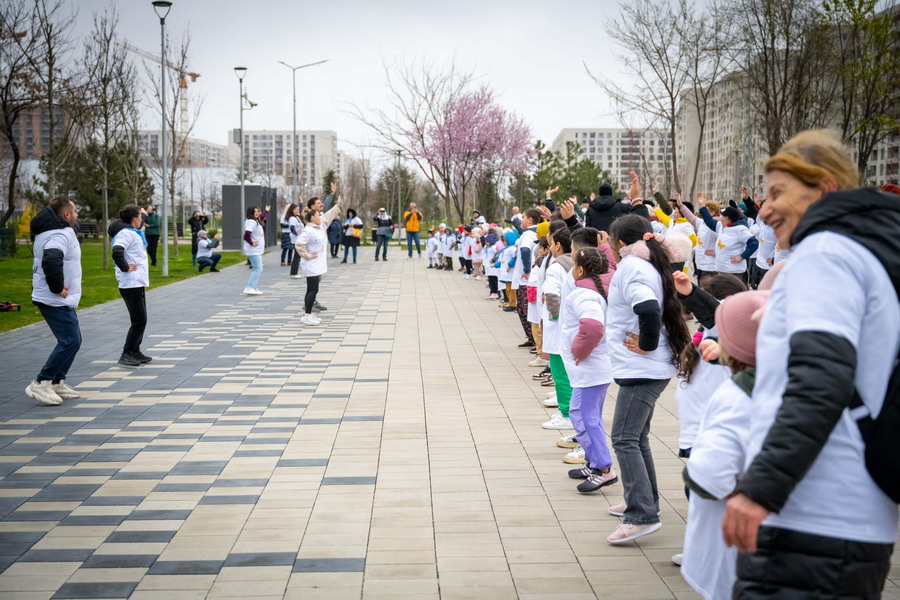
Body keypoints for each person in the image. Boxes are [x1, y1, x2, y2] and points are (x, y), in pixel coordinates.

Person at [722, 130, 900, 598]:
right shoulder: (864, 254)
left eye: (777, 192)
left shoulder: (826, 254)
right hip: (847, 521)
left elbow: (820, 380)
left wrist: (761, 489)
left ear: (823, 188)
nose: (763, 208)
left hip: (809, 520)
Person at [605, 213, 691, 544]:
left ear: (621, 244)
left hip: (644, 369)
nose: (608, 246)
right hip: (643, 367)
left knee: (624, 437)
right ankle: (639, 498)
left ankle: (642, 514)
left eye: (610, 240)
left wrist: (645, 345)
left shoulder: (632, 269)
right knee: (636, 437)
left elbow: (649, 309)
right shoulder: (643, 265)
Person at [681, 290, 768, 600]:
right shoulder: (784, 381)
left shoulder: (737, 397)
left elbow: (710, 475)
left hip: (733, 543)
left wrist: (695, 475)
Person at [563, 246, 618, 493]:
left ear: (581, 269)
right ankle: (593, 461)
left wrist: (578, 351)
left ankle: (604, 468)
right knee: (578, 413)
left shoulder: (585, 295)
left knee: (587, 418)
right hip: (588, 370)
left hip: (590, 368)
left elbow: (593, 327)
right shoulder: (590, 290)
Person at [25, 197, 83, 406]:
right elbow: (51, 259)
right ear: (66, 215)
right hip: (53, 298)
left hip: (58, 299)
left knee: (73, 340)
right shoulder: (58, 234)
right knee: (70, 341)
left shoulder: (59, 232)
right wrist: (57, 287)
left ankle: (57, 381)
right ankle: (41, 382)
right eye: (75, 211)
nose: (77, 215)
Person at [109, 205, 152, 367]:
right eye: (140, 217)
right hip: (130, 282)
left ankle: (135, 350)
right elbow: (117, 251)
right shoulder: (126, 233)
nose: (142, 219)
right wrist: (125, 267)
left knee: (141, 319)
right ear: (135, 219)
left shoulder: (132, 232)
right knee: (139, 320)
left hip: (137, 281)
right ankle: (127, 353)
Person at [295, 199, 342, 326]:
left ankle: (308, 314)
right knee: (313, 290)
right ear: (312, 218)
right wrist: (307, 255)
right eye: (317, 216)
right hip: (311, 264)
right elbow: (299, 245)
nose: (319, 217)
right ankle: (307, 315)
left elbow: (329, 215)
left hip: (317, 264)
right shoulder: (308, 230)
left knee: (311, 289)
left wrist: (337, 205)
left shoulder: (318, 227)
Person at [697, 196, 758, 283]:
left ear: (728, 218)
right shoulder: (722, 227)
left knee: (733, 294)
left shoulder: (740, 229)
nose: (720, 218)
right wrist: (703, 206)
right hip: (722, 270)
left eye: (722, 217)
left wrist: (742, 256)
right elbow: (709, 221)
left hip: (734, 272)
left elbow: (754, 243)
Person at [242, 205, 269, 295]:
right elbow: (247, 234)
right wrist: (251, 242)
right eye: (255, 211)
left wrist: (266, 211)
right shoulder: (251, 222)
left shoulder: (256, 220)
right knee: (258, 268)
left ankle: (252, 287)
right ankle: (249, 287)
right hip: (253, 250)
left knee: (256, 268)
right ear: (251, 213)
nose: (257, 212)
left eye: (258, 211)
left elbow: (261, 217)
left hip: (256, 250)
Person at [288, 204, 303, 277]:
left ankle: (294, 272)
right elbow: (292, 227)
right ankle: (293, 273)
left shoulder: (297, 217)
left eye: (298, 209)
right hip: (296, 239)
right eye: (297, 209)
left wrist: (301, 203)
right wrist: (296, 233)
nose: (298, 210)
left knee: (297, 256)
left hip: (299, 239)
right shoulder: (292, 218)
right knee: (297, 257)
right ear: (293, 210)